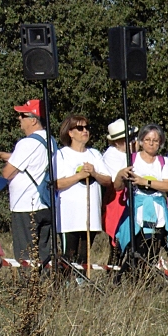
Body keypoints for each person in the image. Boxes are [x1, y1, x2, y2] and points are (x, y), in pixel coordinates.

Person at [0, 99, 55, 267]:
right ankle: (44, 288)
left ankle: (29, 289)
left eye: (22, 115)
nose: (19, 119)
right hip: (45, 203)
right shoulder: (50, 140)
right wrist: (3, 155)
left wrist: (3, 162)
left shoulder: (26, 142)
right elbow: (30, 159)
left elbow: (7, 172)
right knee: (43, 253)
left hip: (25, 206)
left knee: (25, 255)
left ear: (33, 119)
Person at [113, 124, 168, 270]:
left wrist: (143, 182)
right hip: (135, 211)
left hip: (156, 212)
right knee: (134, 249)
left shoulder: (164, 162)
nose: (151, 143)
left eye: (155, 140)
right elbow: (117, 186)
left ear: (160, 142)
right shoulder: (132, 159)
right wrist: (121, 175)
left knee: (152, 250)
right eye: (147, 140)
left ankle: (146, 282)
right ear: (141, 141)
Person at [53, 114, 110, 270]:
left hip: (90, 216)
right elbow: (56, 183)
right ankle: (63, 287)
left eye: (87, 127)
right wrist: (79, 175)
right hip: (68, 217)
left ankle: (81, 287)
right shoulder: (61, 154)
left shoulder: (95, 154)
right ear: (70, 132)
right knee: (68, 256)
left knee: (84, 257)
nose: (85, 131)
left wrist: (94, 173)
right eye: (80, 128)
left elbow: (107, 181)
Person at [101, 119, 136, 252]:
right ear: (116, 142)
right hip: (118, 199)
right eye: (125, 139)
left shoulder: (135, 153)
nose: (131, 142)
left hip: (132, 196)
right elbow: (117, 181)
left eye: (132, 138)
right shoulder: (111, 155)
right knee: (118, 239)